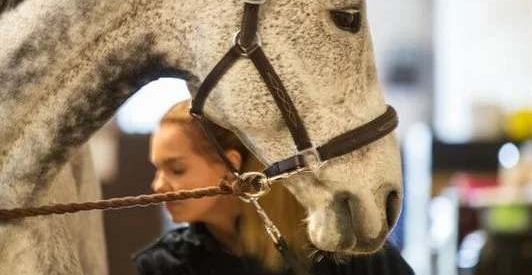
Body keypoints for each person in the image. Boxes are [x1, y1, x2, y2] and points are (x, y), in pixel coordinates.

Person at [133, 99, 414, 275]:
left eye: (176, 169)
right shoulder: (166, 265)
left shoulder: (337, 245)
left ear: (230, 166)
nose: (158, 185)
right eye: (156, 168)